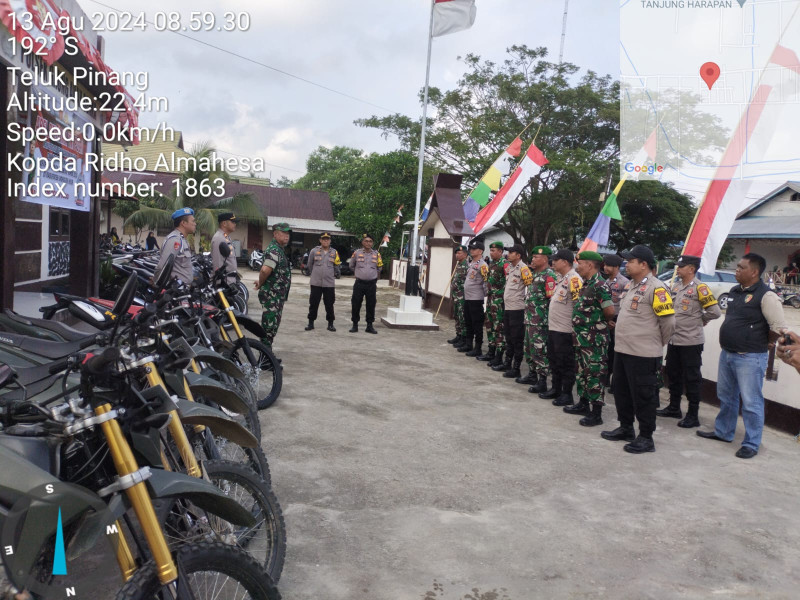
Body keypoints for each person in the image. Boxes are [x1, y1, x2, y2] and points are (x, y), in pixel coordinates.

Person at [696, 253, 787, 459]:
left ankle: (752, 443)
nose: (736, 270)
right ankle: (724, 432)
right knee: (726, 397)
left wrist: (763, 341)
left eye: (741, 267)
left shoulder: (766, 295)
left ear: (754, 272)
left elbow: (779, 327)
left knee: (751, 402)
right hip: (728, 353)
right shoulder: (736, 291)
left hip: (750, 357)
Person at [601, 244, 675, 454]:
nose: (627, 264)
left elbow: (668, 323)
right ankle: (626, 428)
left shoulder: (657, 288)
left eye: (631, 261)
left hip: (643, 354)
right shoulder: (631, 286)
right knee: (621, 392)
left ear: (643, 264)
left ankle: (645, 437)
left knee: (644, 396)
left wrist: (654, 343)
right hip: (623, 350)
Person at [657, 255, 721, 428]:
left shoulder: (700, 288)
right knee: (673, 374)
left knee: (692, 379)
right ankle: (673, 407)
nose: (678, 268)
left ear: (691, 269)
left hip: (691, 341)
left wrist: (701, 319)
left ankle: (693, 414)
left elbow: (715, 311)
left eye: (681, 266)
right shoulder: (676, 286)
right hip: (674, 340)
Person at [568, 251, 616, 426]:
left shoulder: (600, 285)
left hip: (595, 341)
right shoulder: (586, 283)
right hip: (582, 339)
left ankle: (596, 413)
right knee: (581, 372)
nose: (577, 266)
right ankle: (583, 403)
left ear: (589, 265)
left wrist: (599, 322)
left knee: (595, 374)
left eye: (579, 263)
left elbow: (610, 311)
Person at [542, 249, 582, 407]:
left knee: (565, 363)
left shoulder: (574, 279)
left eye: (556, 260)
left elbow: (578, 305)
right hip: (554, 328)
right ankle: (556, 389)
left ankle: (566, 394)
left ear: (565, 262)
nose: (553, 263)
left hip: (565, 330)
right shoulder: (561, 278)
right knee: (554, 360)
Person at [519, 246, 557, 392]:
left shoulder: (549, 276)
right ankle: (532, 374)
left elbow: (551, 300)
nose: (533, 259)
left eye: (536, 257)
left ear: (545, 259)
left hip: (540, 320)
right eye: (533, 257)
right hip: (530, 318)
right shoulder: (536, 274)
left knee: (540, 349)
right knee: (529, 348)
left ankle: (542, 380)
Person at [495, 244, 531, 377]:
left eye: (511, 252)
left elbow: (529, 289)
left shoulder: (524, 269)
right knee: (508, 337)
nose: (508, 254)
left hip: (517, 309)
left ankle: (516, 368)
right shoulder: (510, 268)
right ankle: (507, 363)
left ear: (518, 255)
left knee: (517, 339)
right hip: (508, 307)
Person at [255, 223, 293, 348]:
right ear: (275, 234)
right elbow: (265, 270)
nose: (286, 236)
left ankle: (267, 354)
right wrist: (261, 283)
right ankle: (265, 357)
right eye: (283, 233)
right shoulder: (274, 250)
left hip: (276, 295)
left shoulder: (278, 249)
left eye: (288, 233)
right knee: (269, 326)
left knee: (272, 326)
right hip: (272, 296)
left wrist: (262, 282)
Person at [477, 241, 508, 363]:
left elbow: (508, 282)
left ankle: (499, 355)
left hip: (499, 301)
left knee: (498, 327)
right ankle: (491, 351)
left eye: (493, 251)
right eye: (490, 250)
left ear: (500, 251)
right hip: (490, 300)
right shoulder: (492, 264)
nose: (491, 253)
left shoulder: (504, 264)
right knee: (489, 325)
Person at [601, 254, 628, 389]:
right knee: (607, 350)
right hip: (607, 319)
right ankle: (606, 377)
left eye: (608, 265)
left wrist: (617, 322)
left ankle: (614, 381)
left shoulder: (624, 282)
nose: (605, 268)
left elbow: (625, 305)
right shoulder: (606, 282)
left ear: (616, 267)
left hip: (617, 319)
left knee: (615, 351)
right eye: (604, 265)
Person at [459, 239, 488, 356]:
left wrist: (484, 296)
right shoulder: (471, 263)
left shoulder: (483, 265)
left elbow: (486, 283)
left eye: (474, 249)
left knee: (477, 324)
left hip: (476, 299)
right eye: (470, 249)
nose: (471, 250)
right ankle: (468, 344)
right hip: (468, 298)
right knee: (468, 322)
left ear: (480, 251)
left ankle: (478, 348)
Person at [305, 233, 341, 332]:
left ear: (330, 241)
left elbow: (336, 266)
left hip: (329, 284)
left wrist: (333, 274)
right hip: (316, 283)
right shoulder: (314, 251)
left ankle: (330, 324)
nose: (326, 241)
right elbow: (310, 264)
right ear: (320, 240)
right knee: (313, 303)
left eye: (327, 239)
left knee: (329, 304)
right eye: (324, 239)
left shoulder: (334, 252)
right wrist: (316, 274)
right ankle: (310, 323)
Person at [349, 233, 383, 334]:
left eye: (370, 241)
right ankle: (355, 325)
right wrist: (359, 273)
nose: (368, 243)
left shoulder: (377, 254)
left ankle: (369, 325)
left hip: (371, 284)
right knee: (355, 304)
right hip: (359, 283)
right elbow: (351, 265)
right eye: (366, 241)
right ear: (362, 242)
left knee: (371, 304)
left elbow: (379, 267)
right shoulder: (356, 253)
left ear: (372, 243)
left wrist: (373, 276)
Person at [154, 207, 196, 285]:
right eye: (193, 221)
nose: (195, 223)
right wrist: (157, 284)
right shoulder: (175, 240)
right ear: (183, 223)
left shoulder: (182, 239)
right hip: (176, 289)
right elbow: (162, 266)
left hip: (183, 288)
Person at [447, 245, 469, 348]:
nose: (457, 255)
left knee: (462, 317)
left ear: (465, 254)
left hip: (462, 296)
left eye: (459, 253)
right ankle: (458, 335)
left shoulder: (467, 265)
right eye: (456, 253)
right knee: (456, 316)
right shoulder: (459, 264)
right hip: (456, 296)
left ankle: (464, 338)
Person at [211, 212, 239, 284]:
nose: (235, 224)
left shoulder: (225, 237)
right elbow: (217, 263)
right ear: (224, 223)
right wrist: (218, 284)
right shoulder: (219, 238)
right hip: (224, 282)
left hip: (230, 280)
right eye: (232, 222)